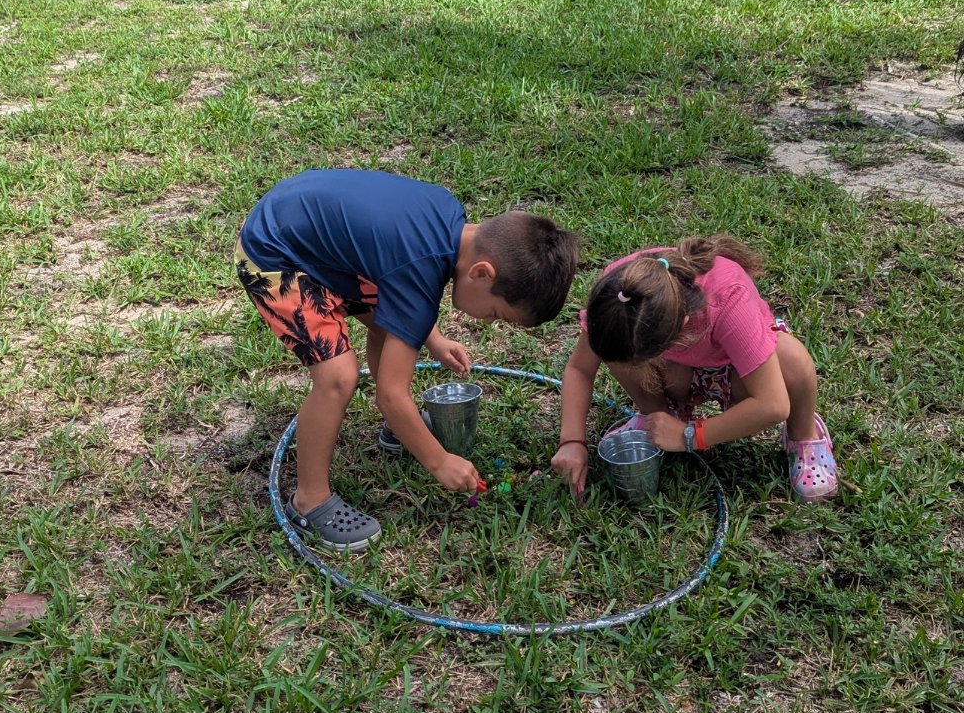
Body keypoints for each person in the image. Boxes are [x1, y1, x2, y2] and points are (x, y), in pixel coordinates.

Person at [236, 169, 580, 551]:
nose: (486, 321)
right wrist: (439, 461)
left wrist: (430, 338)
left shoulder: (450, 218)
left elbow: (397, 279)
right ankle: (309, 500)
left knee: (386, 317)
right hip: (276, 252)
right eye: (495, 314)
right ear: (483, 273)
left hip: (307, 225)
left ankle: (398, 432)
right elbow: (391, 394)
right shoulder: (419, 271)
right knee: (338, 377)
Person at [551, 236, 838, 503]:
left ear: (683, 325)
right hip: (680, 369)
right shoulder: (617, 298)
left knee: (791, 361)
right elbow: (579, 369)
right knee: (617, 348)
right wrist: (572, 441)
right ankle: (659, 416)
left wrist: (689, 435)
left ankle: (804, 436)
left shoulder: (728, 300)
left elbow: (773, 405)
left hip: (738, 373)